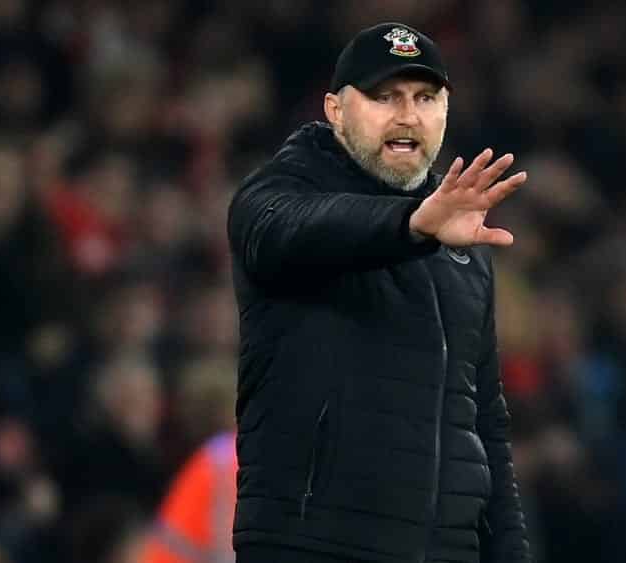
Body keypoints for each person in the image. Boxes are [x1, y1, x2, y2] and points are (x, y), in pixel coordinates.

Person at [227, 22, 530, 563]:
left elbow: (483, 420)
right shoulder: (278, 192)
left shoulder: (460, 238)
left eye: (425, 98)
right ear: (335, 110)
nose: (407, 115)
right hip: (312, 546)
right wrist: (411, 224)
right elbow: (292, 232)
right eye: (384, 96)